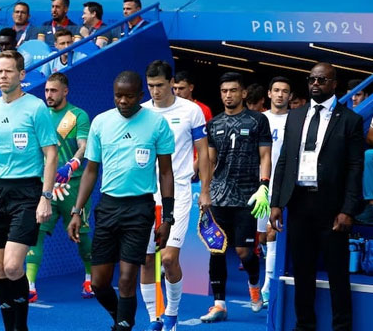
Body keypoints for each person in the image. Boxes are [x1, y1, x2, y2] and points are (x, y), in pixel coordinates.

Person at [67, 70, 175, 331]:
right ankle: (120, 319)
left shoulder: (157, 124)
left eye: (129, 96)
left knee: (127, 279)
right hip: (108, 207)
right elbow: (91, 169)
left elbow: (165, 172)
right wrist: (77, 210)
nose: (123, 101)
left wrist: (168, 217)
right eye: (118, 96)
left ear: (140, 95)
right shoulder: (101, 122)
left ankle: (124, 326)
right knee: (99, 283)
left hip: (140, 209)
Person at [0, 50, 57, 331]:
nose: (2, 76)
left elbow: (50, 155)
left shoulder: (36, 107)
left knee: (14, 267)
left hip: (28, 192)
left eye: (8, 71)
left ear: (21, 75)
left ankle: (21, 327)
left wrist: (45, 196)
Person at [270, 63, 363, 331]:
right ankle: (304, 326)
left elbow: (355, 168)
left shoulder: (350, 120)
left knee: (337, 274)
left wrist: (348, 209)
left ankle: (342, 327)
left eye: (322, 80)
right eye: (312, 79)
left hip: (332, 207)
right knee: (303, 272)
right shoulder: (295, 116)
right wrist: (277, 202)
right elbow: (284, 160)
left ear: (334, 83)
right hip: (299, 202)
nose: (315, 84)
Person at [138, 61, 210, 331]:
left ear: (171, 83)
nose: (155, 91)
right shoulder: (141, 111)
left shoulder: (191, 111)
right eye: (150, 86)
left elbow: (203, 153)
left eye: (159, 85)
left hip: (178, 194)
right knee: (146, 259)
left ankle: (172, 314)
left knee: (168, 259)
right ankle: (153, 318)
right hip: (145, 196)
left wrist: (204, 190)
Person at [200, 72, 271, 323]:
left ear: (243, 93)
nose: (228, 95)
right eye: (224, 91)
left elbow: (265, 156)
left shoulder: (258, 120)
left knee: (243, 251)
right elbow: (208, 160)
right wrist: (205, 191)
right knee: (216, 250)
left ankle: (254, 283)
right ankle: (219, 304)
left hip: (247, 198)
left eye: (233, 90)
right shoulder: (214, 123)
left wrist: (264, 186)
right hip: (219, 198)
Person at [26, 73, 93, 303]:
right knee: (36, 233)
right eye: (46, 91)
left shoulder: (77, 116)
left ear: (65, 91)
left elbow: (84, 145)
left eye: (53, 91)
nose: (48, 95)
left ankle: (89, 276)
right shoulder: (40, 115)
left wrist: (72, 163)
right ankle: (30, 285)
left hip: (73, 187)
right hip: (46, 187)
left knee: (82, 237)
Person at [259, 76, 291, 307]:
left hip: (282, 186)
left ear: (290, 96)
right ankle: (268, 272)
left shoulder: (296, 120)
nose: (280, 94)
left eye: (285, 91)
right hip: (259, 186)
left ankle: (268, 284)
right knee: (262, 237)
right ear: (269, 94)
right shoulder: (259, 120)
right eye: (276, 90)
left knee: (273, 233)